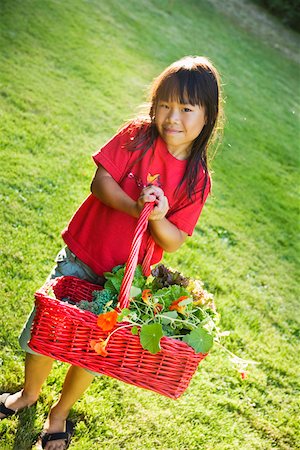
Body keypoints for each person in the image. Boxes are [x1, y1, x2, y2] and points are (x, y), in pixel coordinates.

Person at [0, 55, 223, 450]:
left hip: (123, 280)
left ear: (207, 117)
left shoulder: (197, 179)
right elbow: (101, 183)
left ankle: (60, 413)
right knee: (45, 333)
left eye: (187, 109)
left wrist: (158, 216)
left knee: (92, 353)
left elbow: (172, 240)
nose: (173, 117)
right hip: (81, 256)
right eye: (165, 105)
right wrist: (136, 207)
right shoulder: (137, 137)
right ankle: (28, 394)